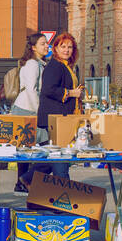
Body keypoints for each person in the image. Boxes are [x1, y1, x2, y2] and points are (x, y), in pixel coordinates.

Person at [34, 32, 83, 181]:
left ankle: (28, 178)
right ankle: (63, 188)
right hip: (55, 117)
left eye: (70, 47)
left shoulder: (66, 66)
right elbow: (48, 89)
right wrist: (70, 93)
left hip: (62, 117)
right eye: (63, 47)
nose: (66, 50)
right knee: (62, 154)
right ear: (55, 48)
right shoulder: (55, 65)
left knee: (58, 154)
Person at [8, 32, 49, 191]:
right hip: (28, 109)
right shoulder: (32, 64)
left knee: (26, 149)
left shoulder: (37, 63)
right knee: (44, 148)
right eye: (42, 44)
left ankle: (23, 182)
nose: (46, 46)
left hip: (28, 108)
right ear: (33, 47)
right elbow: (32, 90)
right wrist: (40, 113)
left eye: (46, 43)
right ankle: (24, 181)